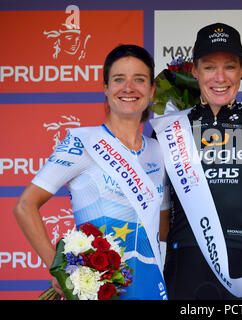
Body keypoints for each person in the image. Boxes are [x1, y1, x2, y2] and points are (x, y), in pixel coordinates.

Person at [13, 44, 169, 300]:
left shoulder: (159, 150)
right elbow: (24, 206)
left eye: (139, 80)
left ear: (151, 90)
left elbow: (163, 229)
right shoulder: (81, 142)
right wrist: (61, 271)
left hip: (153, 288)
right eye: (119, 79)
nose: (128, 88)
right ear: (106, 88)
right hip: (101, 292)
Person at [151, 22, 242, 299]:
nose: (220, 77)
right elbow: (157, 211)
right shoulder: (170, 129)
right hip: (185, 265)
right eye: (209, 67)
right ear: (194, 70)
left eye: (229, 66)